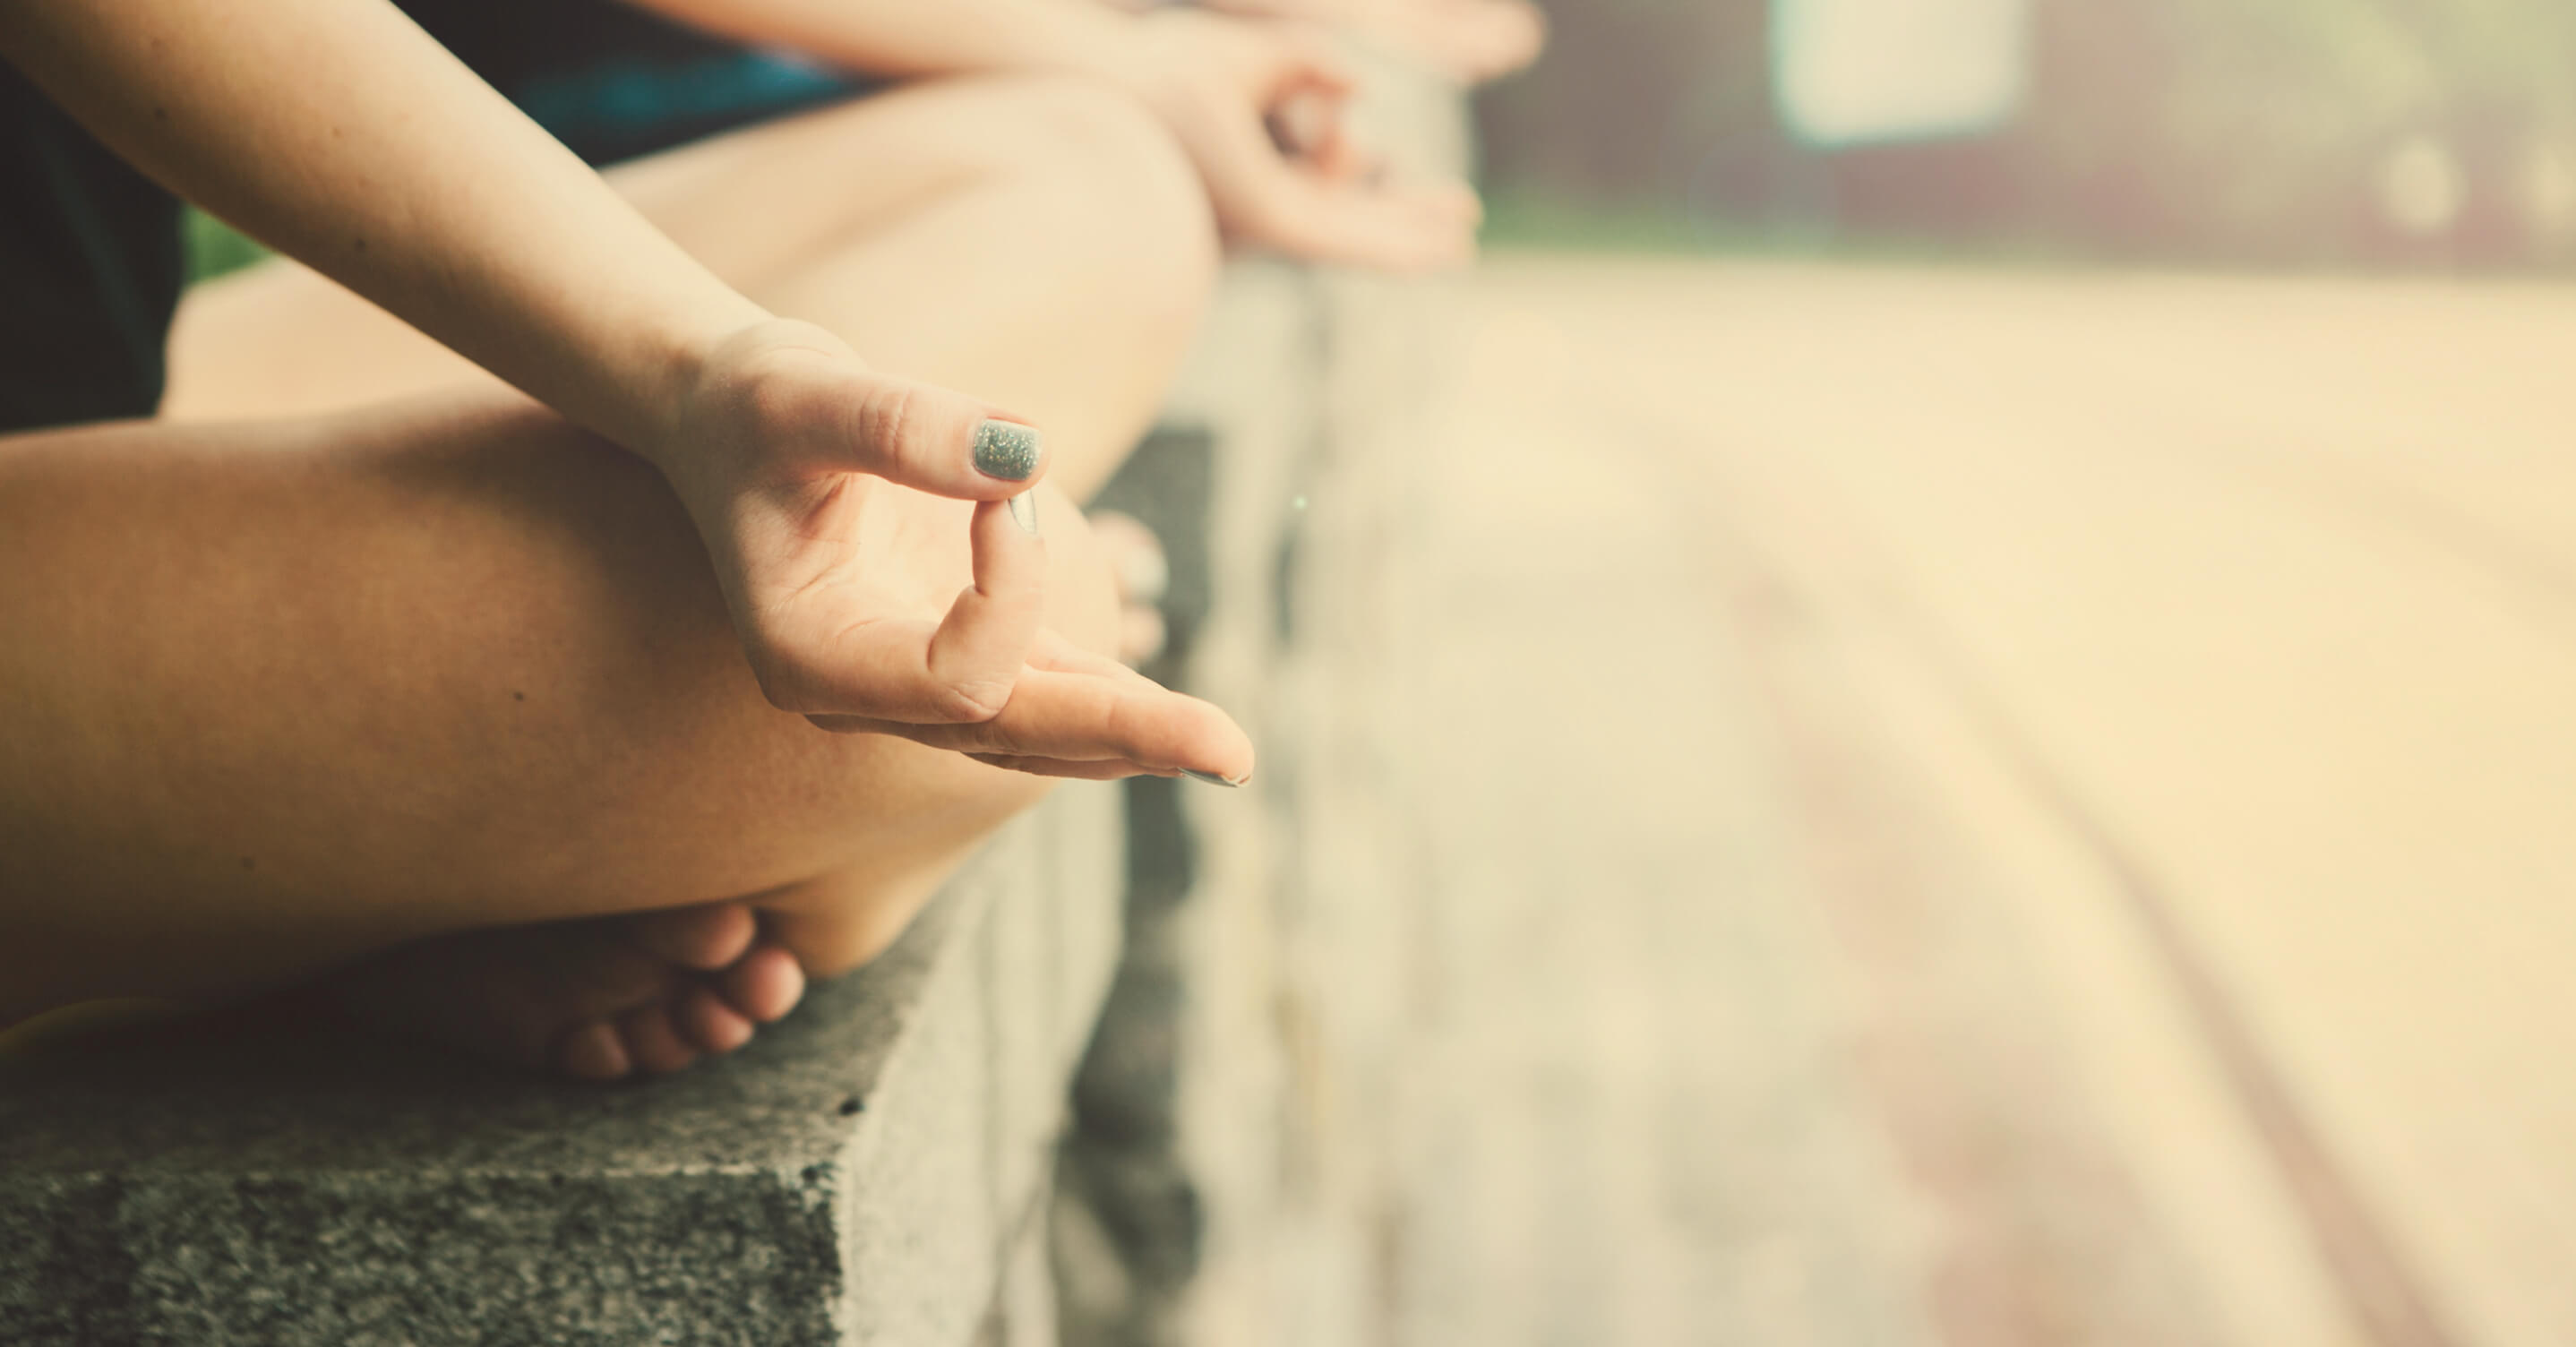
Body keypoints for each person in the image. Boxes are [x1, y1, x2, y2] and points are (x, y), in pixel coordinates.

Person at [0, 0, 1481, 1079]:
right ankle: (248, 935)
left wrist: (710, 375)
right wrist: (692, 368)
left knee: (1091, 172)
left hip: (96, 401)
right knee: (937, 666)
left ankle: (320, 874)